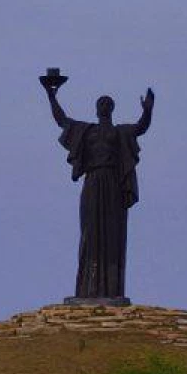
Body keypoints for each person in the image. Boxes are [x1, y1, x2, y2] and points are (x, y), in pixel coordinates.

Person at [42, 76, 154, 301]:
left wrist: (148, 110)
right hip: (92, 182)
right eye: (100, 103)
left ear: (111, 109)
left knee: (112, 235)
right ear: (96, 109)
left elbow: (140, 128)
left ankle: (112, 289)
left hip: (113, 184)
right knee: (90, 233)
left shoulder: (120, 132)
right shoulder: (87, 131)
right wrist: (51, 96)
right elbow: (62, 120)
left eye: (107, 103)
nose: (103, 106)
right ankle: (88, 289)